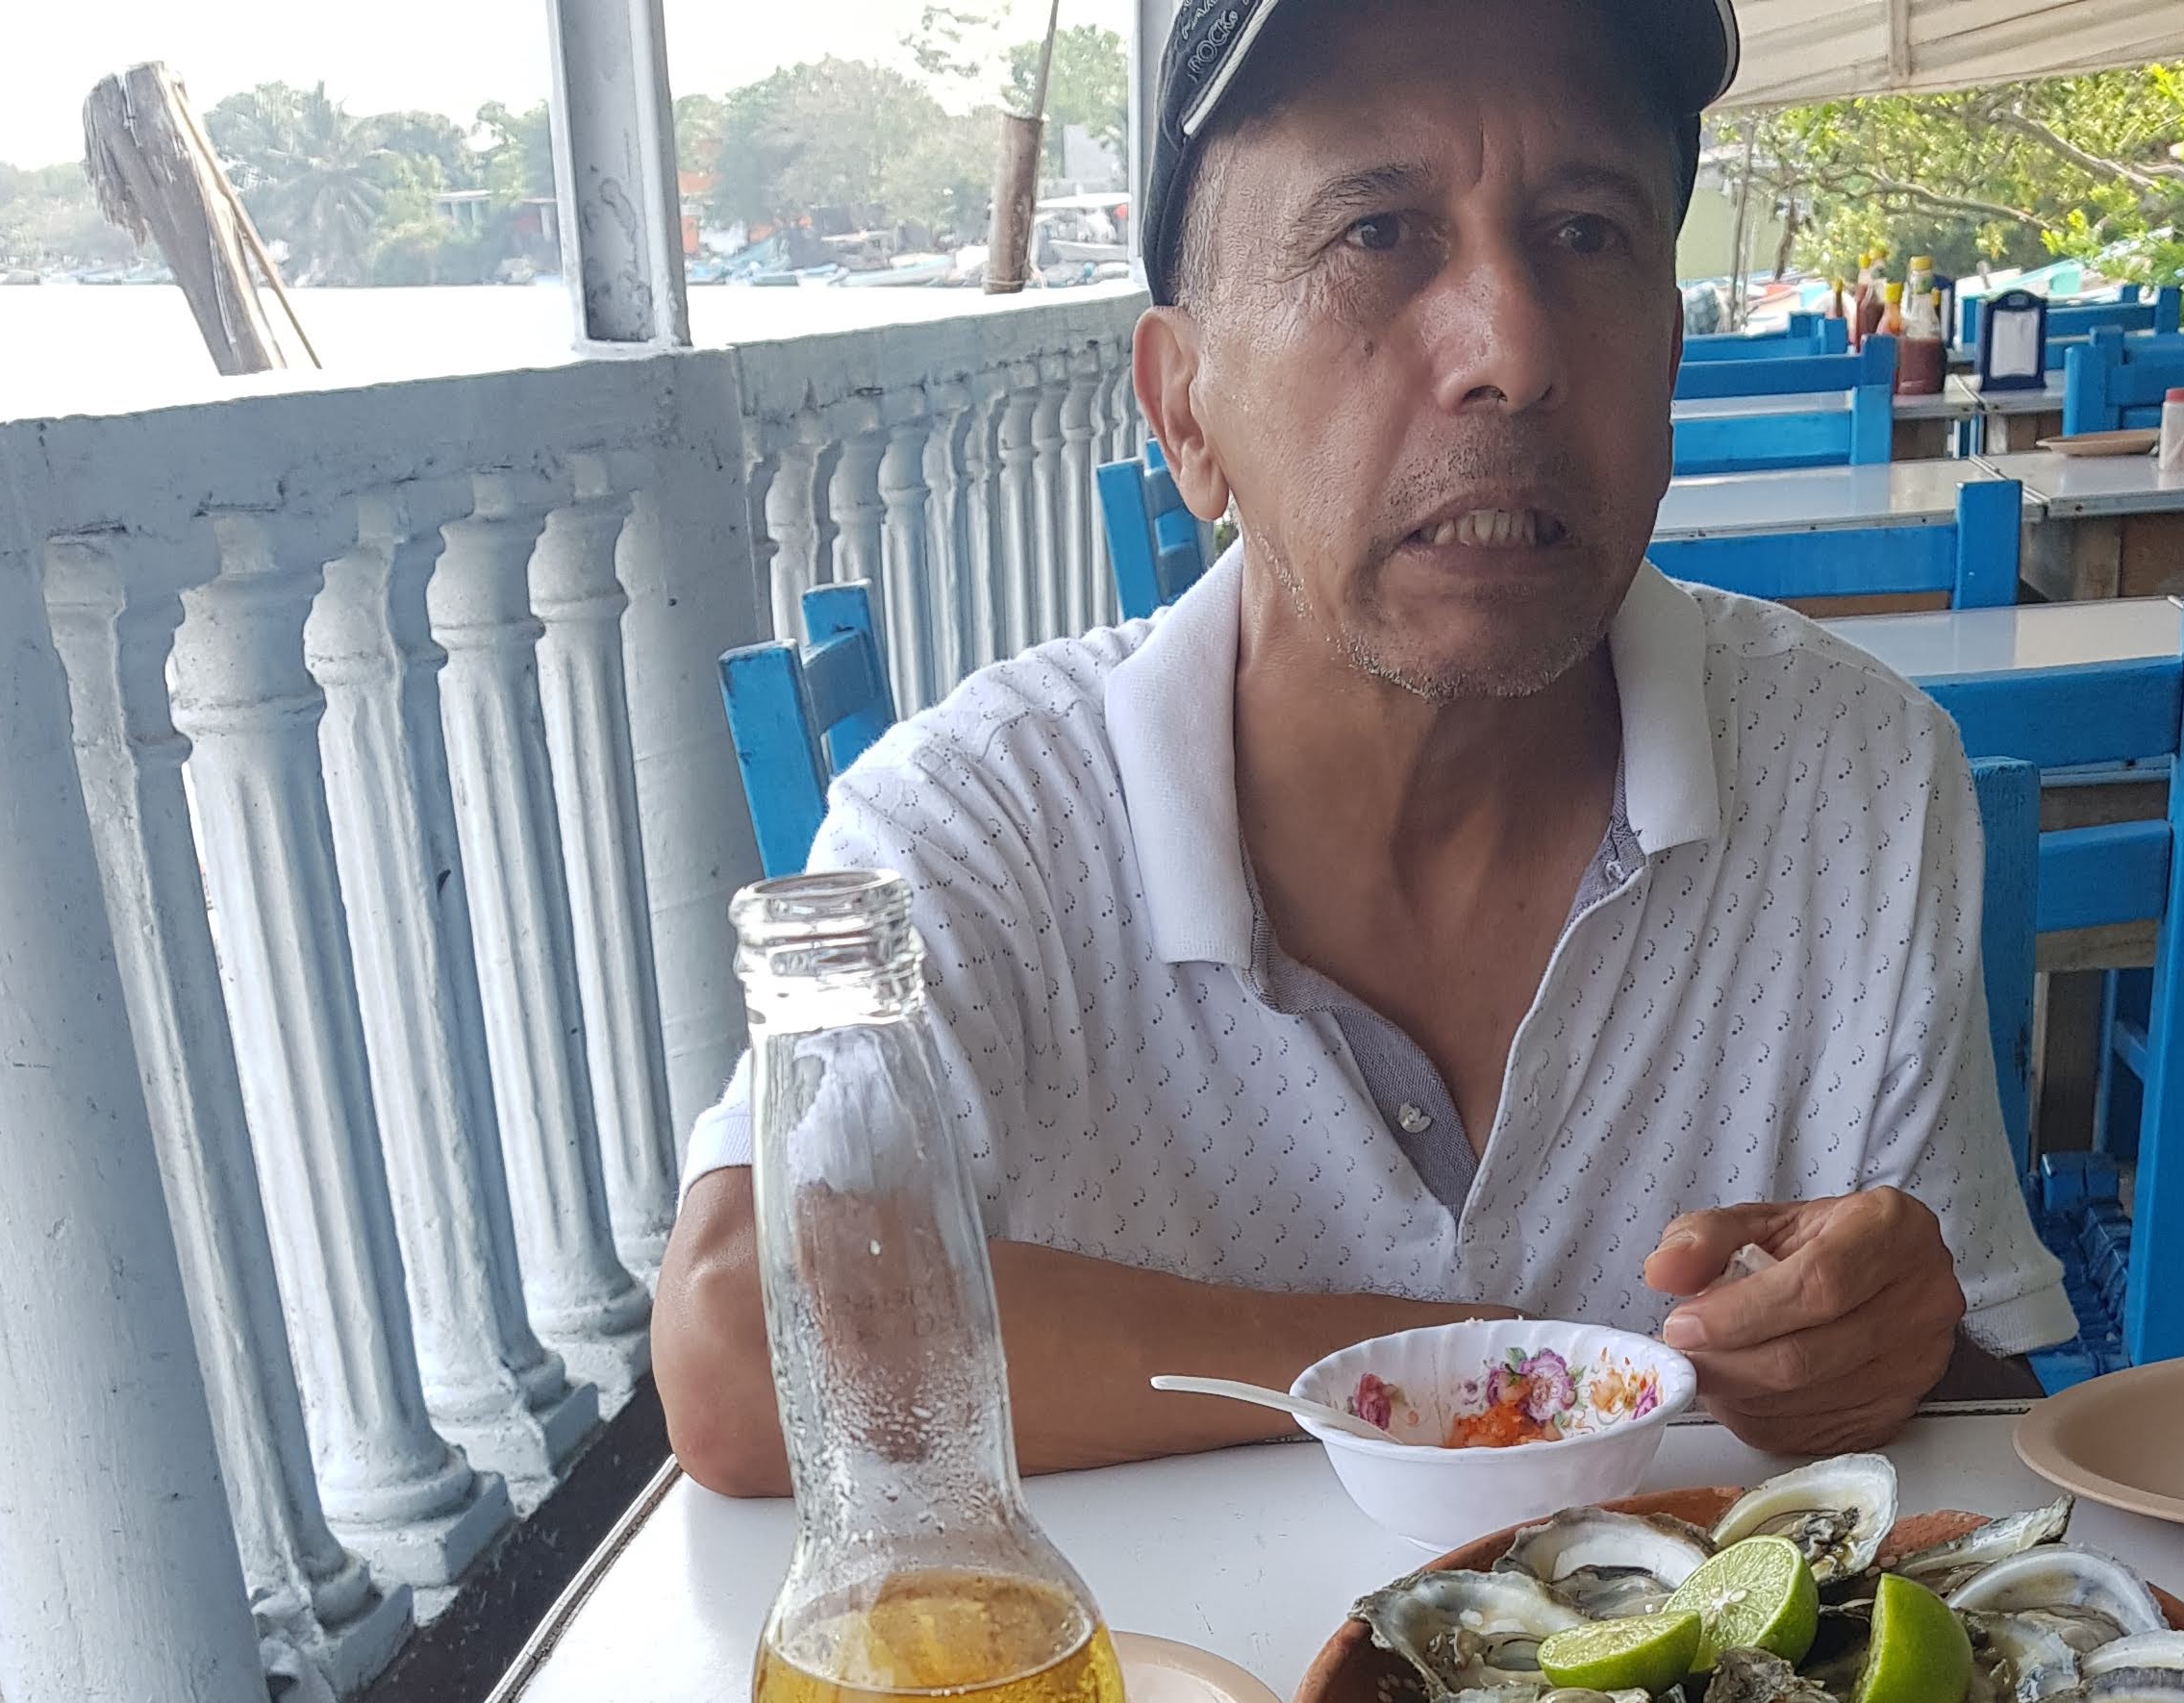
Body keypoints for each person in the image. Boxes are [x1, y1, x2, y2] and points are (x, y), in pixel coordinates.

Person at [657, 0, 2072, 1496]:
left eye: (1588, 233)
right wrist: (1491, 1372)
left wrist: (1891, 1336)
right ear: (1183, 409)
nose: (1512, 351)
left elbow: (1976, 1430)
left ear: (1667, 357)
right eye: (1378, 234)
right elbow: (744, 1344)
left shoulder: (1857, 781)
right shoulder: (986, 826)